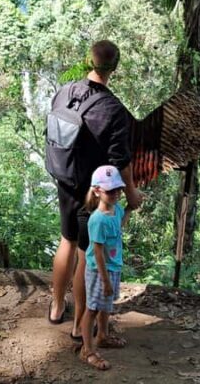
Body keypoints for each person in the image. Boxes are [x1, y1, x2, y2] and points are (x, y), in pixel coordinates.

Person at [47, 40, 142, 336]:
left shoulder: (65, 91)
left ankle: (56, 308)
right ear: (115, 67)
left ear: (89, 61)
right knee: (86, 253)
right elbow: (121, 160)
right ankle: (79, 327)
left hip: (64, 177)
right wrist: (131, 193)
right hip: (92, 190)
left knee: (67, 240)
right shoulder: (114, 109)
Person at [79, 165, 131, 370]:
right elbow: (98, 252)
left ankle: (102, 335)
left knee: (106, 305)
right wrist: (105, 280)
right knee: (92, 309)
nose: (116, 193)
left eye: (118, 189)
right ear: (97, 191)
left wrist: (129, 209)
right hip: (98, 271)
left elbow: (119, 226)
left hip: (113, 267)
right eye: (110, 190)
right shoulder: (97, 220)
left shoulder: (116, 209)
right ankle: (87, 350)